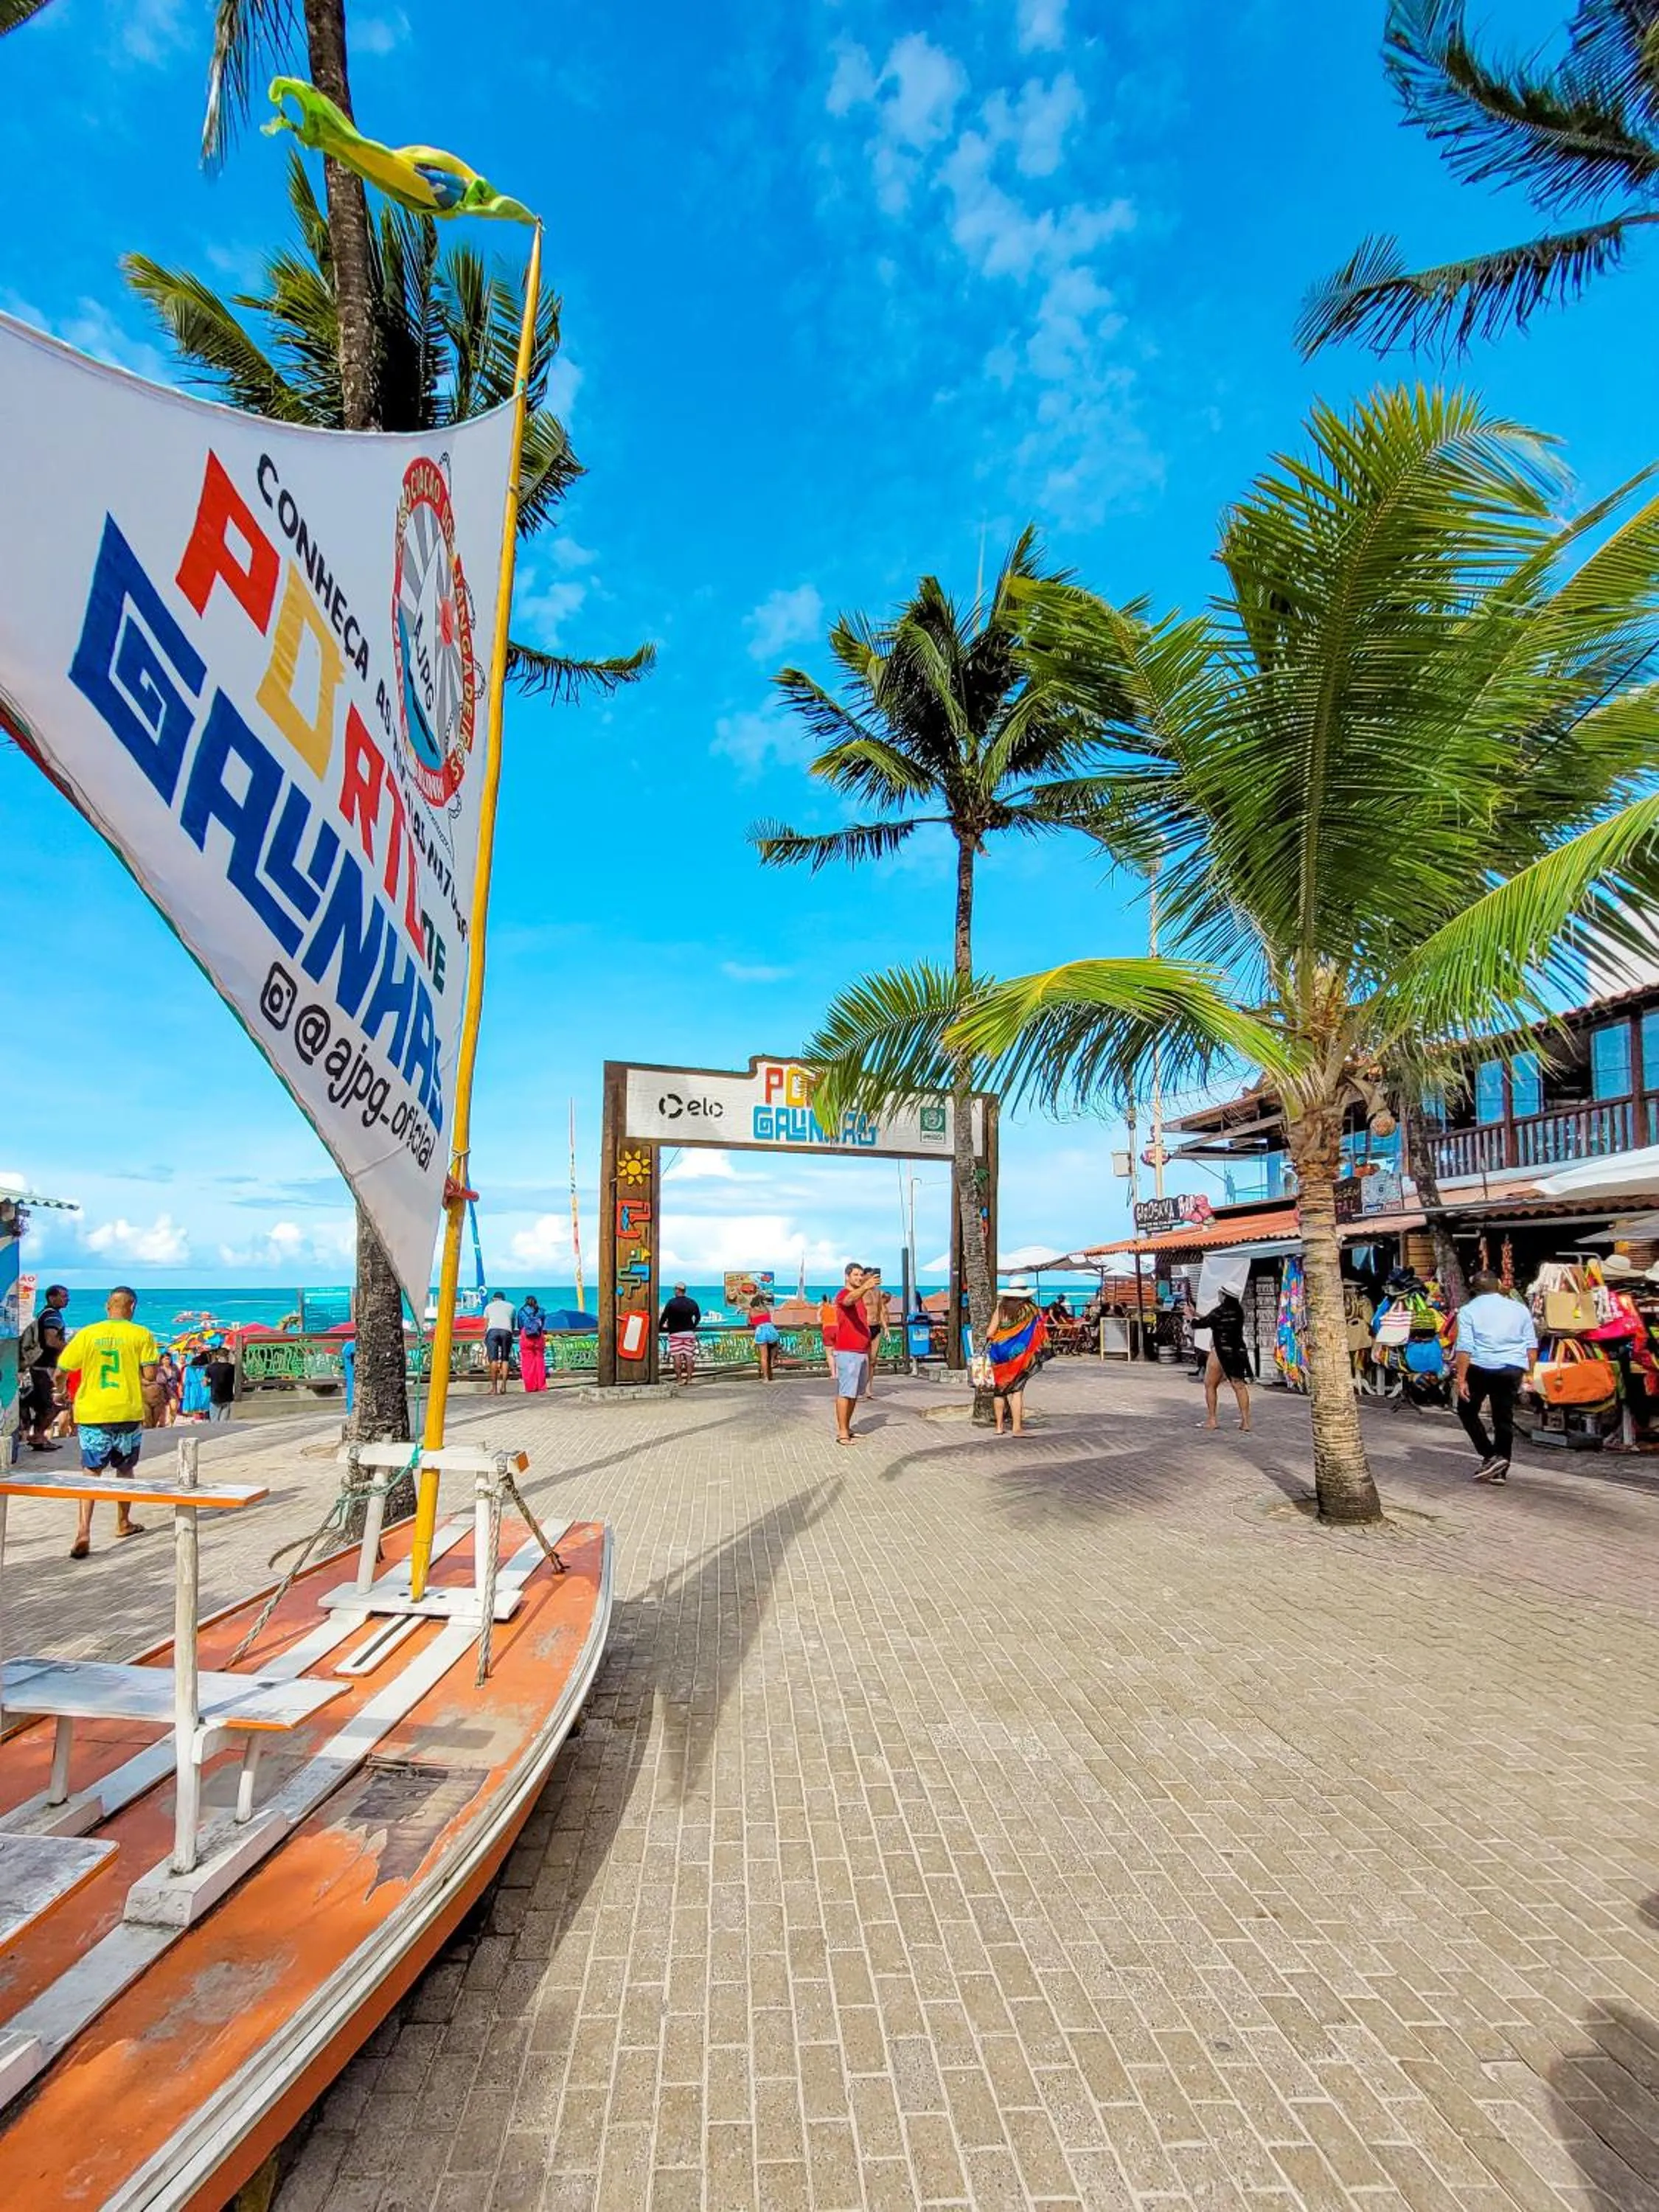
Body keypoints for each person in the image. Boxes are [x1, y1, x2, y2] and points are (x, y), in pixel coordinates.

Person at [56, 1287, 158, 1558]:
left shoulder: (87, 1334)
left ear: (106, 1306)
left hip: (91, 1413)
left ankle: (83, 1530)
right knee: (125, 1471)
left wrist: (61, 1390)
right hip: (126, 1411)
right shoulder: (142, 1334)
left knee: (91, 1473)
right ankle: (123, 1523)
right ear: (132, 1307)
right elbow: (149, 1373)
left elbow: (61, 1370)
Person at [1453, 1269, 1538, 1484]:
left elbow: (1464, 1347)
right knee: (1503, 1417)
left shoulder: (1467, 1311)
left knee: (1467, 1411)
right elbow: (1531, 1345)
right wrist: (1529, 1372)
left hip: (1480, 1367)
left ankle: (1490, 1455)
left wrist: (1461, 1379)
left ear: (1475, 1290)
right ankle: (1501, 1469)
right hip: (1512, 1368)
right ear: (1498, 1285)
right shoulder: (1519, 1309)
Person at [984, 1282, 1048, 1436]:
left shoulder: (1001, 1308)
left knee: (999, 1390)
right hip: (1019, 1355)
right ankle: (1017, 1428)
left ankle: (999, 1427)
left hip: (998, 1352)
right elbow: (1039, 1331)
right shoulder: (1031, 1310)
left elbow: (989, 1332)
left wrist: (1004, 1335)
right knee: (1017, 1390)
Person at [1197, 1291, 1253, 1432]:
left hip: (1220, 1351)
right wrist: (1197, 1314)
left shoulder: (1220, 1311)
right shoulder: (1238, 1311)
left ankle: (1212, 1419)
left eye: (1220, 1294)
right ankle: (1245, 1422)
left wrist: (1192, 1318)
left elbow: (1205, 1322)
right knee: (1239, 1385)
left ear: (1224, 1296)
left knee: (1210, 1385)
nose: (1218, 1296)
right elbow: (1212, 1320)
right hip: (1237, 1351)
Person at [832, 1264, 874, 1443]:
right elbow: (847, 1300)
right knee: (846, 1392)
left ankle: (847, 1428)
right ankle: (842, 1433)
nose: (859, 1278)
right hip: (847, 1351)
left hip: (860, 1350)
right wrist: (865, 1286)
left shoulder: (860, 1298)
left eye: (861, 1275)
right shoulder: (844, 1294)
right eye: (855, 1275)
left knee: (855, 1393)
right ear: (847, 1276)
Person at [659, 1284, 702, 1387]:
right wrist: (693, 1326)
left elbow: (664, 1317)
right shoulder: (692, 1302)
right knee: (689, 1356)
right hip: (689, 1332)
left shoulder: (671, 1303)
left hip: (675, 1333)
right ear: (684, 1291)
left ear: (677, 1290)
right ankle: (689, 1379)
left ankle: (679, 1380)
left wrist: (661, 1327)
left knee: (677, 1357)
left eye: (675, 1289)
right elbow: (698, 1316)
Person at [482, 1288, 516, 1395]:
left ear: (494, 1299)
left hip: (492, 1331)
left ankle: (494, 1388)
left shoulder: (488, 1306)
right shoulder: (511, 1306)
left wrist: (484, 1335)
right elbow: (512, 1323)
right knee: (505, 1359)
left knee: (493, 1360)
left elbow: (486, 1324)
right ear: (503, 1299)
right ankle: (504, 1387)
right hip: (506, 1332)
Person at [517, 1295, 549, 1393]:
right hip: (538, 1338)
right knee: (540, 1362)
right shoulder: (541, 1311)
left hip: (526, 1338)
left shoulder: (522, 1311)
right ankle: (541, 1386)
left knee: (527, 1363)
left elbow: (520, 1326)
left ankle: (530, 1386)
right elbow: (542, 1325)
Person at [204, 1341, 237, 1425]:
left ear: (217, 1356)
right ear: (227, 1356)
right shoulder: (232, 1368)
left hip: (215, 1398)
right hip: (228, 1398)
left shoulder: (210, 1367)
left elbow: (204, 1383)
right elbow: (242, 1379)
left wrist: (210, 1383)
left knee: (214, 1423)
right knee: (224, 1424)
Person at [751, 1296, 780, 1382]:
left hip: (760, 1331)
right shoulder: (766, 1310)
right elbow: (769, 1319)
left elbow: (749, 1322)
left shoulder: (752, 1310)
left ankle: (766, 1378)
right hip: (770, 1329)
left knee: (764, 1357)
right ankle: (772, 1360)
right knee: (776, 1344)